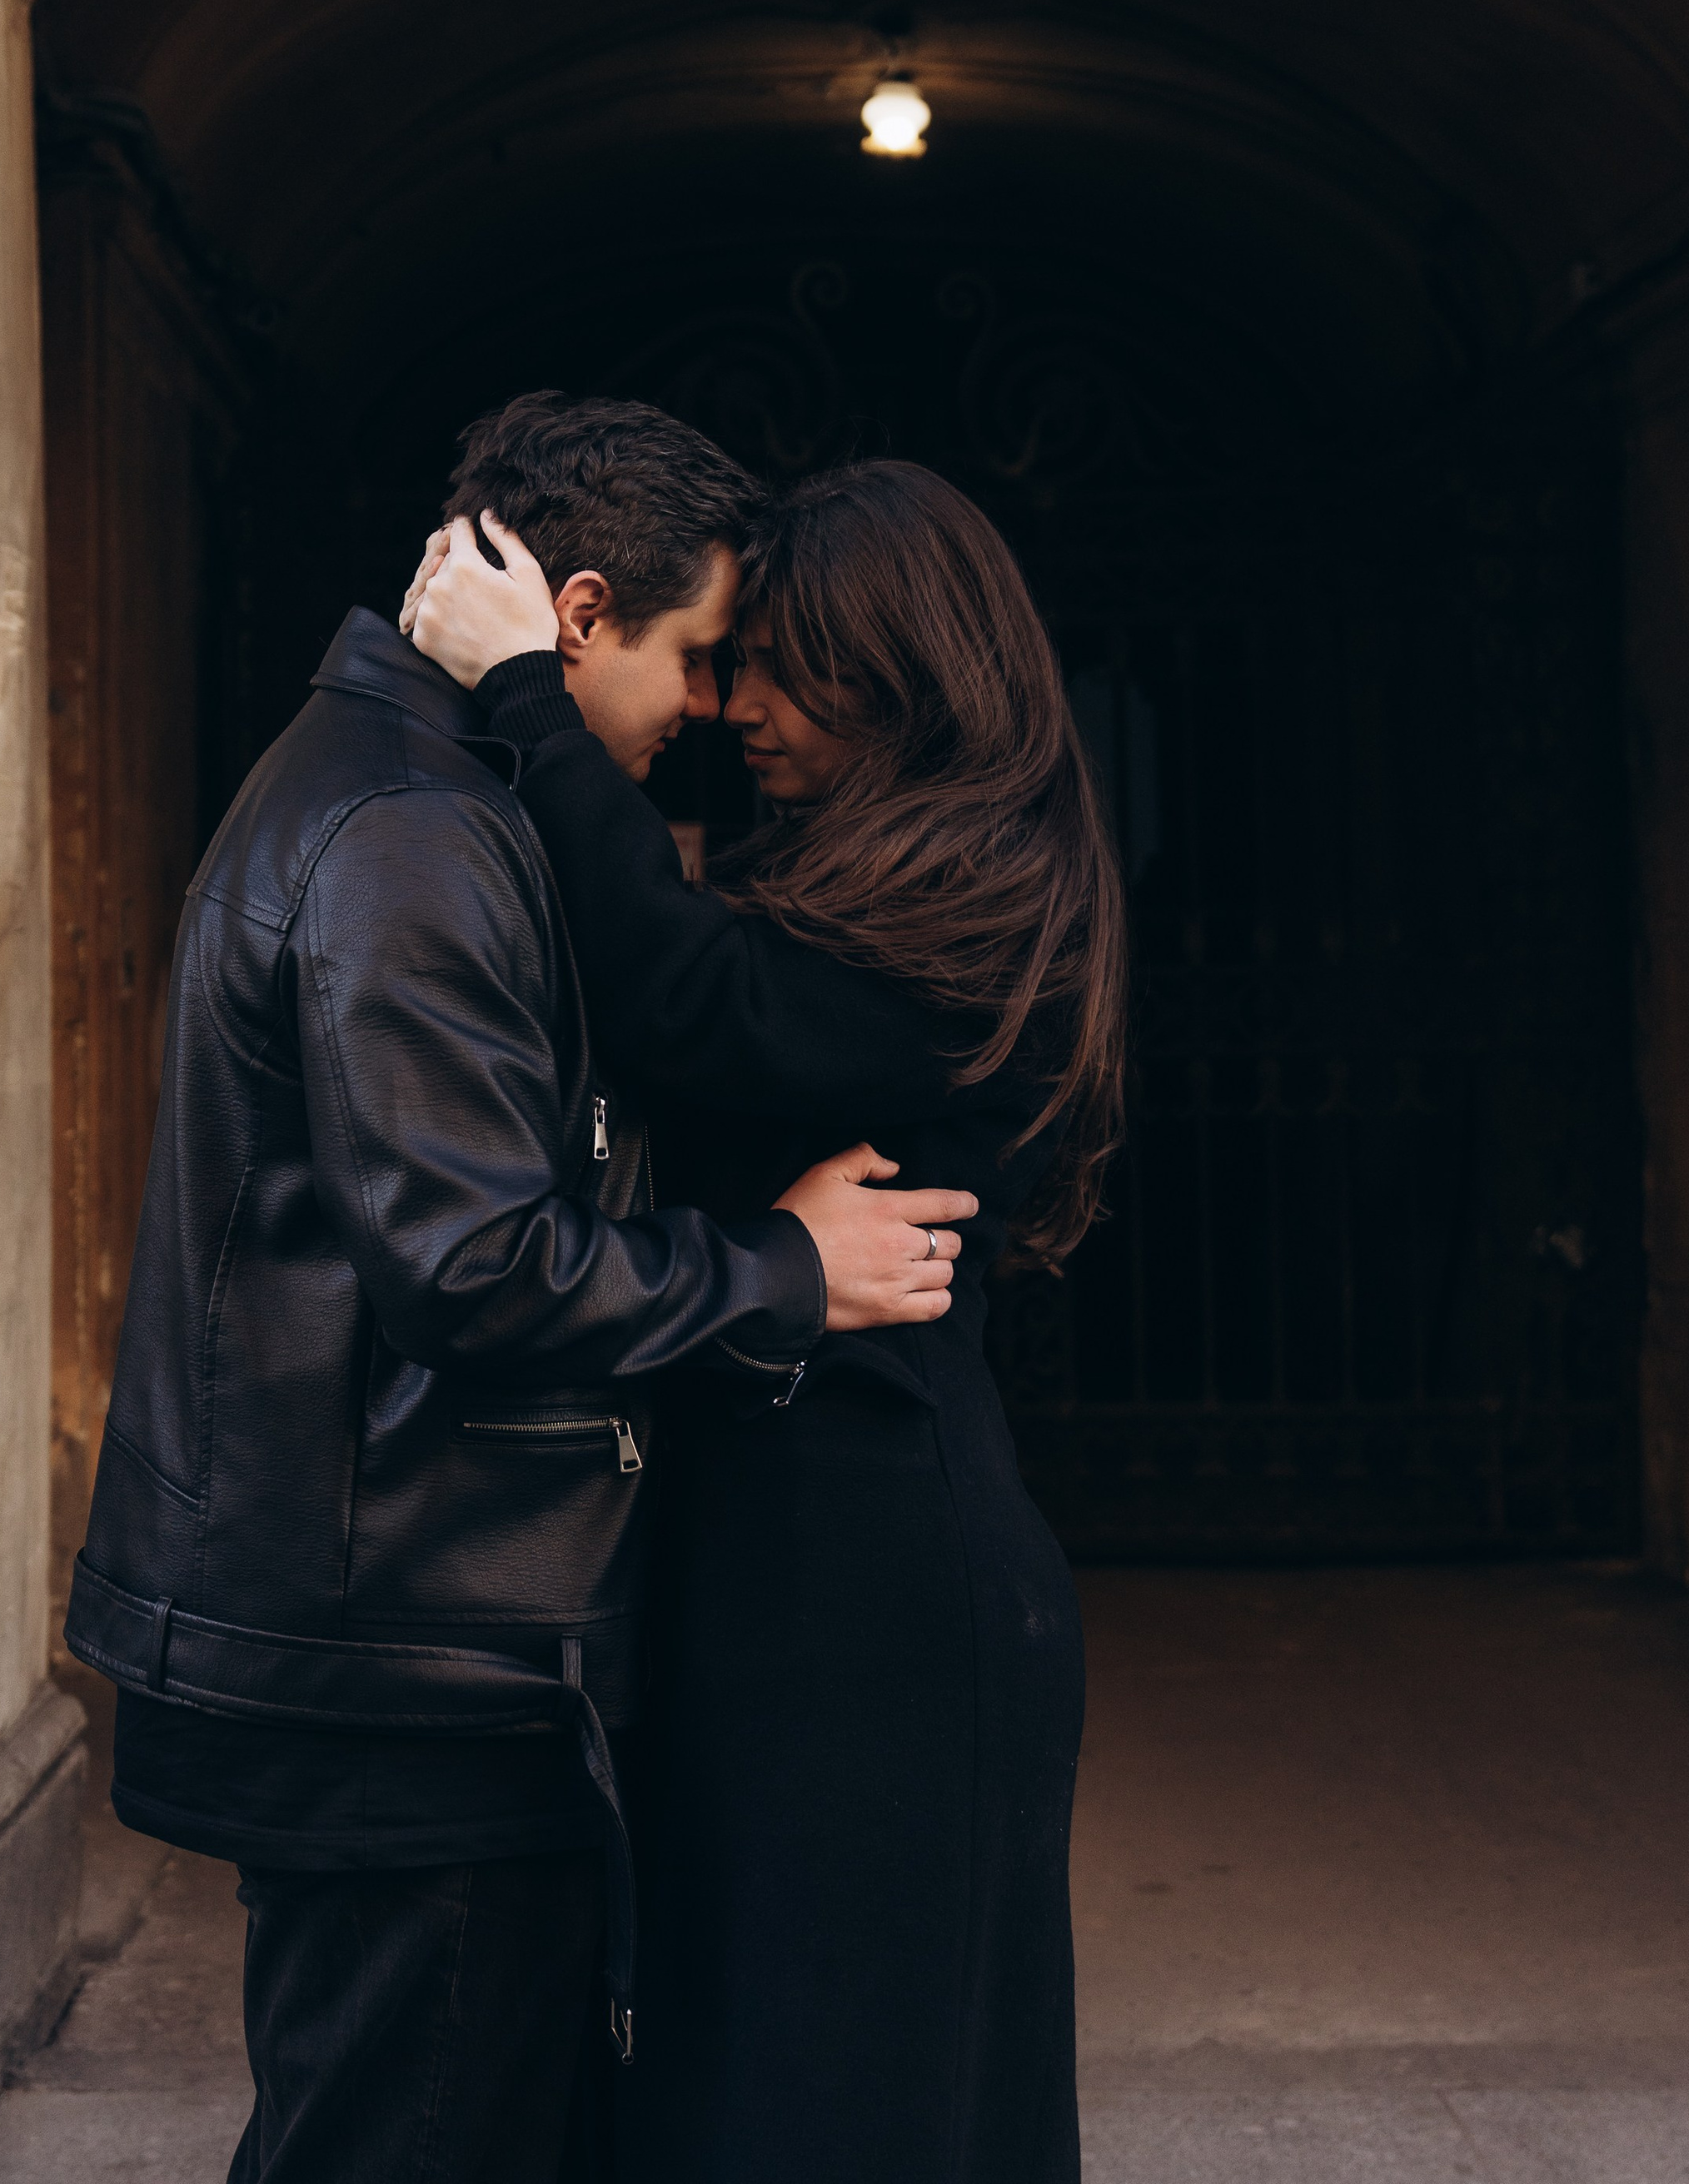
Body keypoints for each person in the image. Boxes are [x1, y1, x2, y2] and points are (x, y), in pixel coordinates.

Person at [64, 394, 978, 2184]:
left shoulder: (411, 791)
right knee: (411, 2138)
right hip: (404, 1653)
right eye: (698, 656)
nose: (713, 709)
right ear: (575, 622)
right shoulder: (412, 833)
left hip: (400, 1625)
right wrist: (782, 1270)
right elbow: (473, 1270)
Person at [408, 458, 1126, 2184]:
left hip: (882, 1590)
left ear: (898, 670)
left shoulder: (975, 887)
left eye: (779, 664)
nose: (734, 705)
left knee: (845, 2104)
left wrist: (520, 691)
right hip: (804, 1564)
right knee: (778, 2087)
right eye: (729, 663)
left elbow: (699, 1010)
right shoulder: (880, 859)